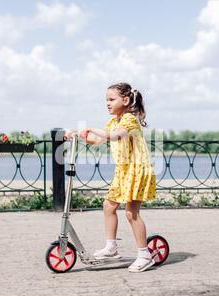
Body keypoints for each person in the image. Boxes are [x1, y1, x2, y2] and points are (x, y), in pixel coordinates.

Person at [65, 82, 156, 272]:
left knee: (131, 213)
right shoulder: (113, 121)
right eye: (106, 100)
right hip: (123, 171)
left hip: (137, 170)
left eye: (111, 99)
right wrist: (77, 133)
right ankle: (111, 247)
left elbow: (114, 136)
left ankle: (145, 255)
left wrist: (89, 128)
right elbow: (97, 140)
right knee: (109, 206)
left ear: (125, 100)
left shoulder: (130, 120)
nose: (107, 103)